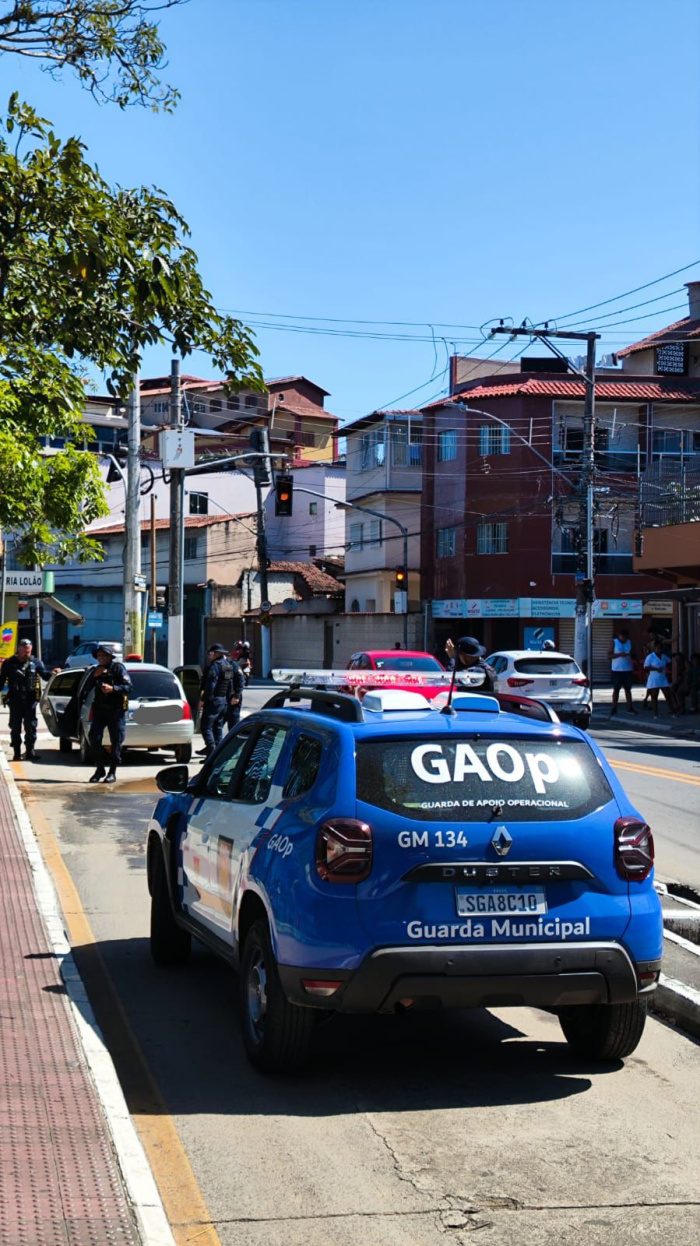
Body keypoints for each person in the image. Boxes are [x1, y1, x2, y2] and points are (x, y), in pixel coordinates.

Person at [0, 638, 59, 761]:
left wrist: (53, 673)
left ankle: (30, 752)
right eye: (25, 650)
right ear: (19, 649)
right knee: (15, 727)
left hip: (30, 700)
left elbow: (44, 675)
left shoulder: (35, 662)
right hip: (15, 700)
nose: (27, 653)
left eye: (29, 650)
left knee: (31, 726)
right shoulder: (9, 663)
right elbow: (1, 681)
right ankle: (17, 752)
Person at [83, 644, 132, 783]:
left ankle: (112, 772)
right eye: (99, 656)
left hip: (115, 711)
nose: (101, 658)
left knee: (116, 741)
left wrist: (113, 688)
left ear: (110, 657)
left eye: (104, 656)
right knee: (94, 738)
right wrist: (94, 676)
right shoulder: (95, 670)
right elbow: (86, 688)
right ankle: (99, 769)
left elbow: (128, 687)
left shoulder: (118, 668)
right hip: (100, 711)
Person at [198, 643, 235, 757]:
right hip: (223, 701)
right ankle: (219, 754)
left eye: (211, 653)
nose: (210, 655)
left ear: (217, 654)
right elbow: (230, 685)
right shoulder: (227, 665)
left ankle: (212, 751)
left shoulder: (215, 666)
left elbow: (211, 685)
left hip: (213, 701)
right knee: (218, 727)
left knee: (205, 727)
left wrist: (203, 700)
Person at [643, 640, 675, 719]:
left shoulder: (664, 656)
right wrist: (655, 669)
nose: (660, 650)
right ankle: (655, 714)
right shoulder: (650, 657)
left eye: (661, 648)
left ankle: (672, 712)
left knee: (668, 695)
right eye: (658, 648)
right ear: (655, 648)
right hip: (654, 679)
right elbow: (646, 667)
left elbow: (669, 661)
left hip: (663, 678)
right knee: (654, 696)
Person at [609, 627, 637, 717]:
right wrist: (619, 654)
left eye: (625, 637)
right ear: (619, 636)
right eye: (622, 637)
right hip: (617, 669)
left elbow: (634, 654)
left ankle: (629, 707)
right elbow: (609, 655)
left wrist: (631, 655)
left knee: (628, 689)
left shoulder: (629, 643)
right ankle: (614, 707)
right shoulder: (614, 642)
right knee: (616, 689)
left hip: (627, 669)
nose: (624, 639)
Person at [225, 653, 245, 732]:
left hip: (233, 696)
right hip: (225, 697)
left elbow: (241, 680)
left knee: (233, 720)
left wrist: (236, 696)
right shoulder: (222, 664)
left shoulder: (232, 664)